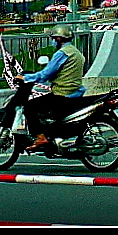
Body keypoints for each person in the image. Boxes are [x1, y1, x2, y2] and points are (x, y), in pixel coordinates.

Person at [22, 24, 86, 152]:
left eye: (53, 38)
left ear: (58, 39)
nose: (52, 41)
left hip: (63, 93)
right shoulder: (75, 52)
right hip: (75, 92)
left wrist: (25, 78)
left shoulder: (62, 53)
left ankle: (41, 138)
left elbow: (45, 74)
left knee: (30, 107)